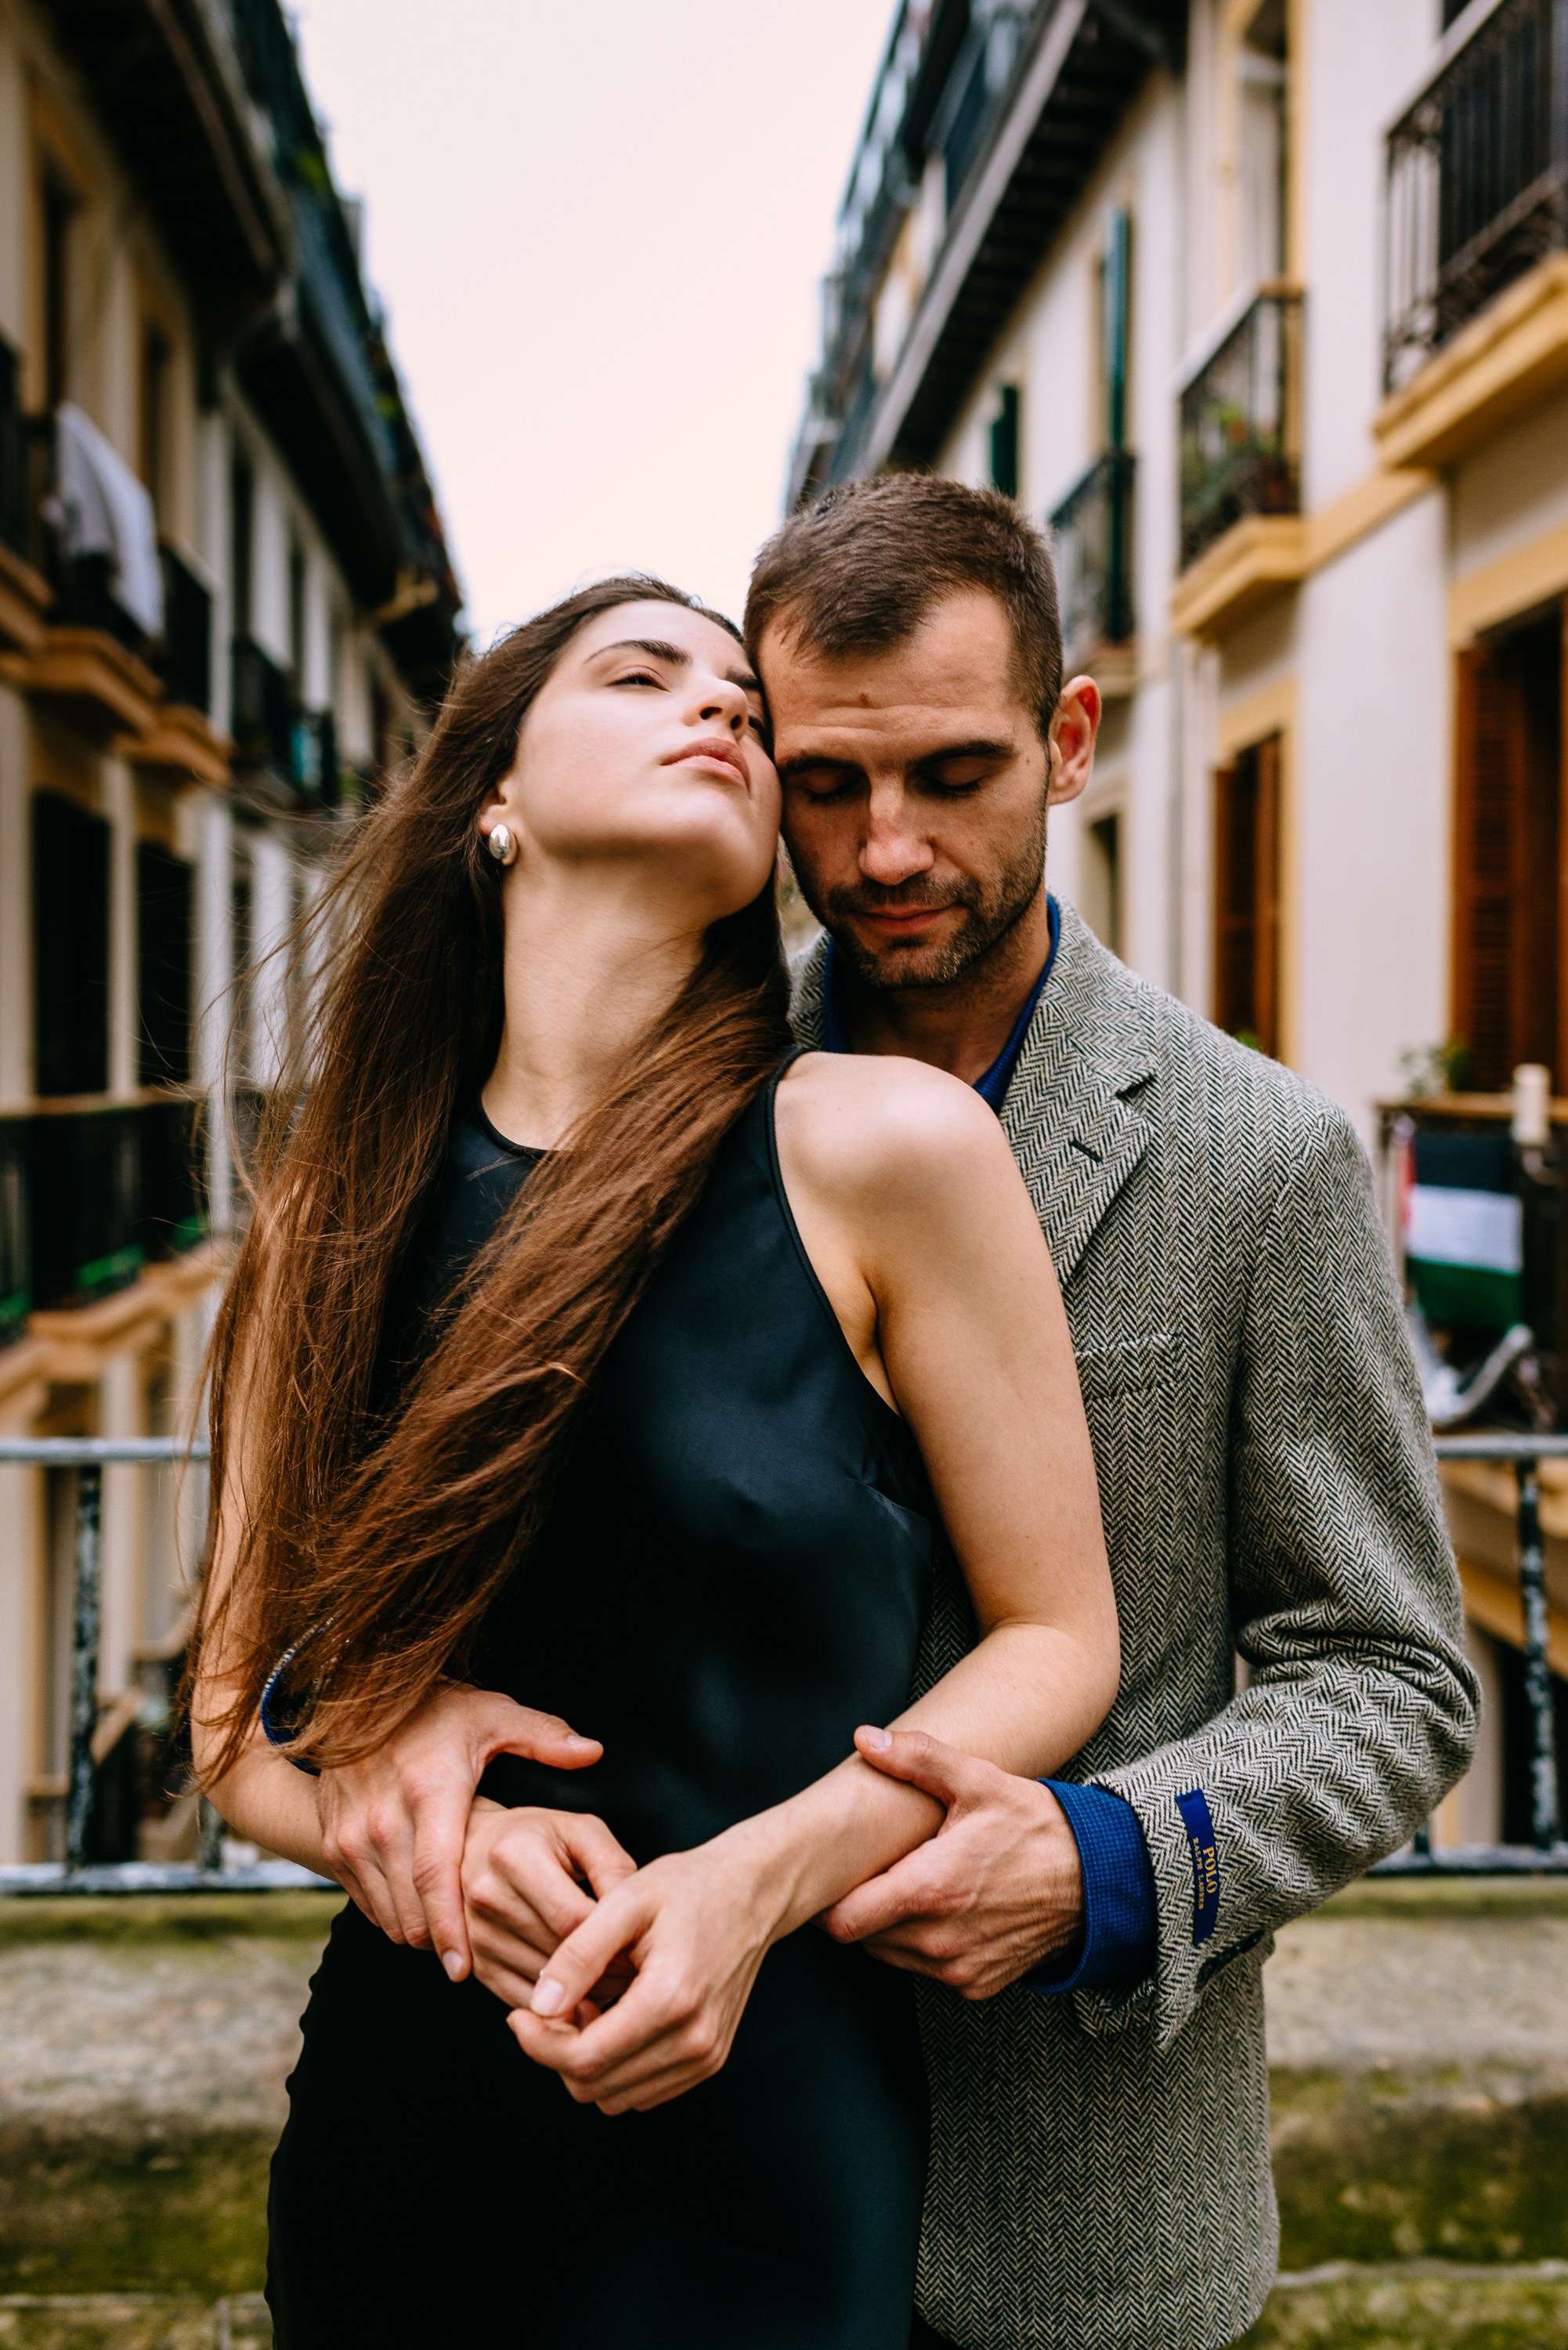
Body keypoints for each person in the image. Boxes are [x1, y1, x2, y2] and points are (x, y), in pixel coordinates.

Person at [311, 481, 1481, 2350]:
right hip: (659, 2173)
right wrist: (382, 1722)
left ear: (1067, 741)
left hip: (1065, 2222)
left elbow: (1395, 1671)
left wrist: (1107, 1863)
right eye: (829, 784)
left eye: (952, 775)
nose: (883, 852)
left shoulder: (1259, 1162)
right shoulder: (637, 1106)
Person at [187, 573, 1120, 2350]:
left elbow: (1056, 1645)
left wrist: (751, 1884)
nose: (718, 715)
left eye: (747, 715)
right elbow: (231, 1724)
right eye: (640, 674)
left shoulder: (879, 1147)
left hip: (769, 2128)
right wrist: (429, 1846)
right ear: (496, 799)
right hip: (409, 2123)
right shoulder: (335, 1202)